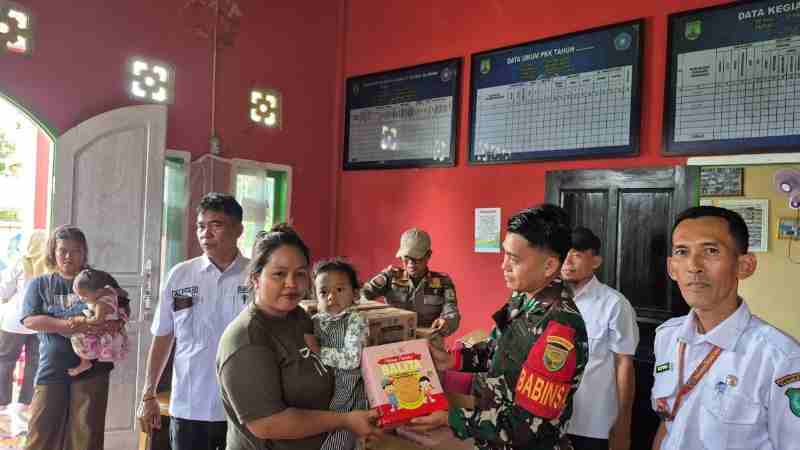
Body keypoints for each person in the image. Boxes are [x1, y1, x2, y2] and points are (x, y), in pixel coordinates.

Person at [408, 204, 589, 450]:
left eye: (514, 259)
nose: (503, 266)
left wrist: (451, 418)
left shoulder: (559, 327)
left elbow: (530, 428)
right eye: (504, 254)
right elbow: (497, 350)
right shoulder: (523, 297)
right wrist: (453, 361)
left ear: (549, 266)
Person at [216, 224, 381, 450]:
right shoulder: (247, 340)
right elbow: (268, 424)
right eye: (279, 274)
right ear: (256, 278)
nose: (292, 283)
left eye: (300, 273)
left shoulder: (300, 317)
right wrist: (345, 420)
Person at [651, 206, 800, 450]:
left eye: (710, 251)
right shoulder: (667, 337)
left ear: (745, 265)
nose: (693, 266)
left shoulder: (780, 358)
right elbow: (669, 423)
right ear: (671, 268)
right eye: (682, 252)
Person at [138, 192, 250, 450]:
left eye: (216, 225)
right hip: (189, 404)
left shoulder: (254, 276)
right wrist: (148, 394)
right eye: (201, 226)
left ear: (238, 229)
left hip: (240, 406)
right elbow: (163, 336)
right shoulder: (181, 275)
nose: (205, 233)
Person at [21, 225, 127, 450]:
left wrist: (111, 323)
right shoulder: (40, 284)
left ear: (84, 252)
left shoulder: (100, 279)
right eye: (63, 250)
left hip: (93, 369)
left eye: (75, 251)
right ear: (53, 252)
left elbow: (122, 308)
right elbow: (30, 320)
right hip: (52, 367)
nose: (68, 256)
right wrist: (69, 324)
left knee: (86, 436)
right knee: (40, 432)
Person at [561, 227, 639, 450]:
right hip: (551, 417)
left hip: (593, 423)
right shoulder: (549, 300)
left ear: (595, 261)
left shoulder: (614, 304)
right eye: (564, 253)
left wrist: (624, 423)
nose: (567, 261)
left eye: (576, 254)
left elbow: (624, 363)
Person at [303, 258, 370, 450]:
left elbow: (352, 359)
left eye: (339, 290)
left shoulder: (356, 320)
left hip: (346, 388)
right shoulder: (314, 320)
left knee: (340, 433)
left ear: (355, 294)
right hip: (322, 383)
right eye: (323, 292)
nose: (331, 297)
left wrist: (318, 351)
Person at [361, 228, 460, 336]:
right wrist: (383, 275)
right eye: (406, 258)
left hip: (428, 342)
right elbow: (360, 296)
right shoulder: (391, 277)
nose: (411, 263)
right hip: (393, 341)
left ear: (428, 255)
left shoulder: (443, 282)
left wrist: (446, 321)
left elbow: (452, 313)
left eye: (417, 258)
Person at [0, 230, 46, 410]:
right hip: (39, 322)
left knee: (5, 360)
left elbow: (4, 291)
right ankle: (25, 402)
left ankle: (2, 402)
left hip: (14, 321)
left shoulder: (20, 263)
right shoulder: (49, 266)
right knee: (34, 362)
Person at [67, 268, 129, 377]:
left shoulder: (101, 304)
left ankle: (85, 362)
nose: (81, 298)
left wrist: (81, 320)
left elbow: (97, 320)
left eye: (84, 296)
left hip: (105, 334)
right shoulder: (108, 290)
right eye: (78, 295)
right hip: (108, 330)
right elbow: (123, 294)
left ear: (99, 292)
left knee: (77, 338)